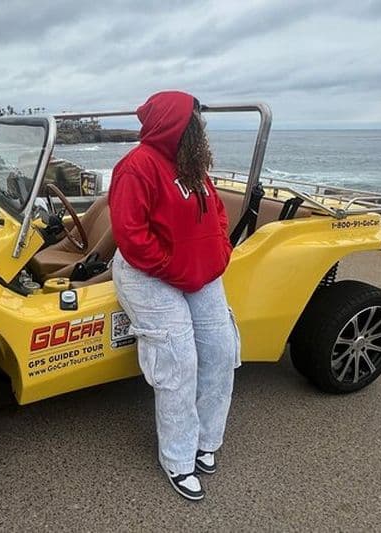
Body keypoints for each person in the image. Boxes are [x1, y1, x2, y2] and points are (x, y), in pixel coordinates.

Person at [109, 91, 240, 501]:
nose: (200, 128)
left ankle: (207, 439)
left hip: (198, 271)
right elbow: (132, 237)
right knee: (178, 360)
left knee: (220, 350)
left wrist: (219, 251)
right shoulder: (136, 167)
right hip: (147, 273)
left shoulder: (194, 165)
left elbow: (217, 212)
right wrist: (173, 265)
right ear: (174, 124)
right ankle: (179, 459)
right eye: (194, 121)